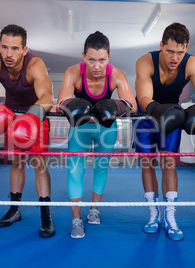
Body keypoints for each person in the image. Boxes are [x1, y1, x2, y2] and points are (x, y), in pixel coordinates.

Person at [133, 22, 195, 240]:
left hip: (173, 115)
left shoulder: (191, 64)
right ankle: (154, 215)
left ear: (186, 49)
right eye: (170, 51)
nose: (175, 58)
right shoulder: (145, 62)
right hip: (146, 115)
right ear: (161, 45)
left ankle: (171, 217)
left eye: (180, 52)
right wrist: (158, 111)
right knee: (147, 164)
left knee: (169, 164)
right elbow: (143, 98)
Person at [0, 24, 55, 238]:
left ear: (24, 50)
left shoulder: (35, 64)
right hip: (11, 115)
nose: (9, 54)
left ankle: (46, 215)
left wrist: (31, 117)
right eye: (5, 47)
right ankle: (14, 209)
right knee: (16, 162)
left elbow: (46, 97)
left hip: (36, 115)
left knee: (39, 164)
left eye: (15, 48)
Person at [57, 31, 137, 238]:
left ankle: (94, 209)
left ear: (109, 56)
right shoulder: (73, 73)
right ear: (83, 56)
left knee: (101, 170)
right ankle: (76, 219)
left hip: (106, 128)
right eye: (91, 60)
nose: (96, 66)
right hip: (79, 128)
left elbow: (132, 104)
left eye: (102, 60)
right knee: (75, 170)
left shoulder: (117, 75)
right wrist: (70, 105)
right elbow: (62, 101)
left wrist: (116, 105)